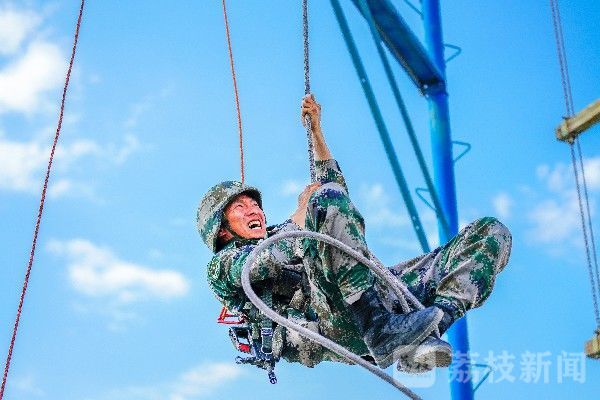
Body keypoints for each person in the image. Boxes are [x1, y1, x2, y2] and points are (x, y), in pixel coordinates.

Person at [197, 94, 512, 372]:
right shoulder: (223, 266)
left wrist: (317, 134)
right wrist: (304, 214)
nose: (254, 209)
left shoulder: (287, 230)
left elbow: (337, 204)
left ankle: (426, 332)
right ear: (222, 231)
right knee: (325, 201)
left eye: (254, 203)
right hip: (334, 319)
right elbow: (270, 257)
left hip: (384, 300)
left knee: (490, 233)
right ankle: (380, 329)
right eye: (239, 207)